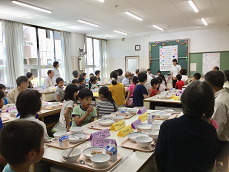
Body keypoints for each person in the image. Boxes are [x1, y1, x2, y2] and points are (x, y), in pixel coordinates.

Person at [155, 81, 218, 172]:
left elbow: (160, 159)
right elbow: (211, 161)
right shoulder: (210, 129)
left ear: (184, 99)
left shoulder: (168, 126)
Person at [205, 71, 229, 171]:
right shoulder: (224, 93)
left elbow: (215, 133)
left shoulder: (219, 103)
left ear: (208, 84)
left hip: (222, 144)